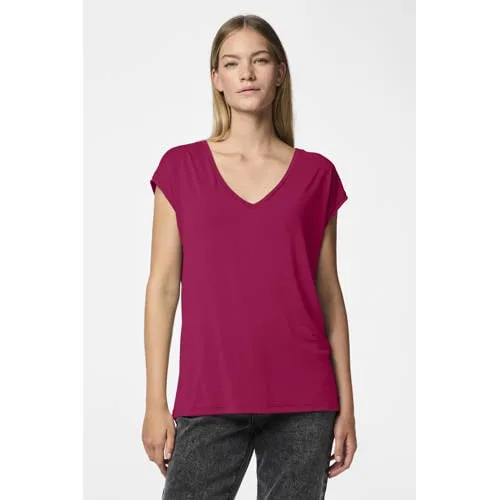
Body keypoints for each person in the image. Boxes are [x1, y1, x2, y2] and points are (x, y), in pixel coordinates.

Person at [142, 13, 357, 500]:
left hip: (305, 397)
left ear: (279, 73)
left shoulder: (317, 175)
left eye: (259, 60)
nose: (246, 73)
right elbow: (162, 287)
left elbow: (328, 293)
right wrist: (156, 400)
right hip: (209, 393)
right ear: (216, 79)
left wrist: (347, 403)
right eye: (232, 63)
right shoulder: (180, 168)